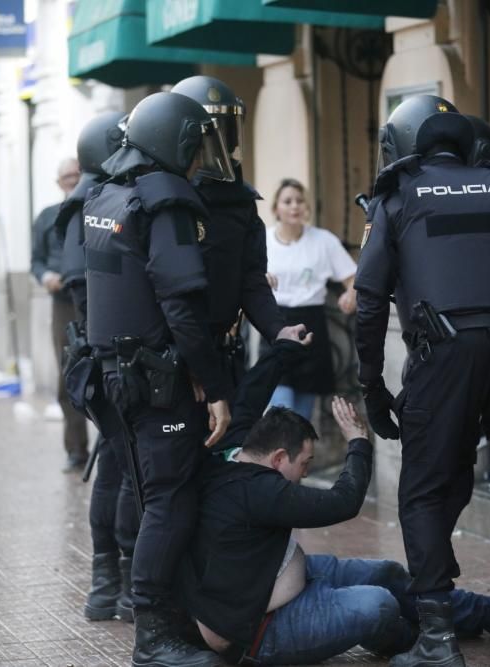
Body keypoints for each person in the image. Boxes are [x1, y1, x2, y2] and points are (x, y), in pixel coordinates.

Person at [354, 95, 490, 667]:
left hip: (441, 354)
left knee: (422, 492)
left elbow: (370, 300)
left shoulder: (399, 194)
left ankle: (436, 639)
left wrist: (371, 386)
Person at [177, 339, 490, 665]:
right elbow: (343, 502)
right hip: (264, 629)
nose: (304, 475)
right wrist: (357, 443)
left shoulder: (235, 451)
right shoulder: (261, 491)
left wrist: (283, 347)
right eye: (304, 464)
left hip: (283, 575)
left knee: (387, 573)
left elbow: (250, 397)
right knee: (378, 604)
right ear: (279, 458)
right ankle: (418, 644)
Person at [85, 91, 238, 666]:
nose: (200, 157)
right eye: (195, 144)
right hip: (157, 384)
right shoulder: (166, 203)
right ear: (174, 142)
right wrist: (216, 384)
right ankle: (153, 639)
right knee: (170, 501)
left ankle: (164, 619)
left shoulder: (106, 194)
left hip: (113, 380)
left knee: (152, 498)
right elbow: (180, 307)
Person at [54, 110, 140, 624]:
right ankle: (122, 583)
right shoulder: (98, 203)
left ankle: (107, 584)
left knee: (112, 465)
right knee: (122, 468)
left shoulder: (80, 202)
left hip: (94, 353)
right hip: (109, 356)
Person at [170, 76, 295, 384]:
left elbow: (251, 279)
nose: (217, 147)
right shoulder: (161, 201)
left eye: (225, 131)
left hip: (223, 351)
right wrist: (195, 366)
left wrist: (278, 329)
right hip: (173, 359)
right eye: (207, 137)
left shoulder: (240, 201)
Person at [264, 178, 357, 421]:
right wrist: (260, 280)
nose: (295, 206)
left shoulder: (324, 241)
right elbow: (244, 278)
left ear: (306, 206)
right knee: (280, 409)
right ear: (276, 209)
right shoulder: (263, 241)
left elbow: (353, 277)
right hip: (276, 325)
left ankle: (298, 457)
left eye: (299, 200)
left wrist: (350, 293)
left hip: (311, 326)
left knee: (303, 416)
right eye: (287, 201)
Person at [31, 156, 88, 472]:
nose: (72, 179)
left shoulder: (95, 208)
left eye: (76, 174)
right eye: (66, 175)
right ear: (58, 182)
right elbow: (36, 260)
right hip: (63, 303)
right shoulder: (46, 217)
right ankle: (77, 449)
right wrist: (45, 277)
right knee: (69, 376)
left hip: (95, 300)